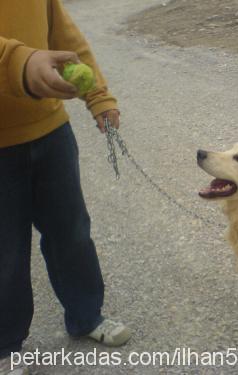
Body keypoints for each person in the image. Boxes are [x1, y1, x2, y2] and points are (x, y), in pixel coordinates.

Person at [0, 1, 131, 374]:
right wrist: (20, 62)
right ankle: (6, 344)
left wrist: (99, 95)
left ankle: (86, 315)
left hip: (51, 132)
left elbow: (66, 38)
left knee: (71, 232)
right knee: (5, 251)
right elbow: (19, 59)